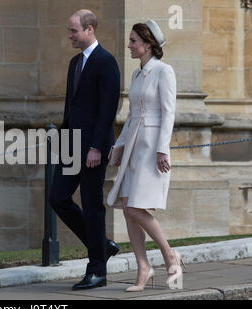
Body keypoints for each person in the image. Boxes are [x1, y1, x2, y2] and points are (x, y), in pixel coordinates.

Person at [107, 20, 185, 291]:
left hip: (152, 148)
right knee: (128, 209)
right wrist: (118, 146)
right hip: (133, 148)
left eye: (133, 41)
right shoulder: (137, 75)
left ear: (149, 44)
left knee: (134, 207)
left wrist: (163, 149)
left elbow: (168, 113)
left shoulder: (164, 71)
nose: (129, 46)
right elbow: (132, 116)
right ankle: (144, 268)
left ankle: (169, 256)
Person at [49, 9, 121, 291]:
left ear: (89, 30)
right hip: (72, 147)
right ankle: (102, 246)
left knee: (93, 208)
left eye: (73, 31)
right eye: (69, 30)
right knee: (58, 198)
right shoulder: (74, 63)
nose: (69, 36)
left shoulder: (106, 62)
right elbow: (71, 109)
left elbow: (107, 111)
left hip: (93, 149)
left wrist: (95, 148)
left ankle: (97, 270)